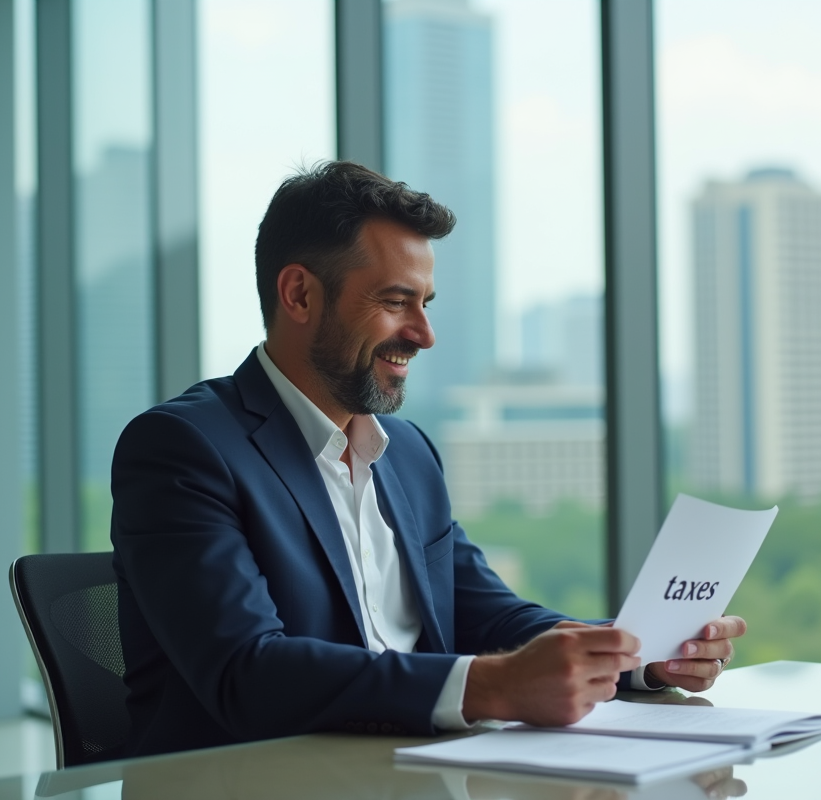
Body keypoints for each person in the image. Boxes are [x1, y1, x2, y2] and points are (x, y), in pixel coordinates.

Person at [110, 161, 745, 758]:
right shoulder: (182, 449)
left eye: (426, 302)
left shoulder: (407, 453)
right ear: (300, 295)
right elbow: (247, 673)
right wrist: (490, 688)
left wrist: (637, 654)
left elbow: (483, 615)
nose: (423, 332)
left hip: (414, 775)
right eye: (395, 301)